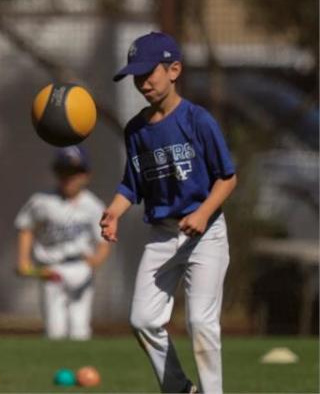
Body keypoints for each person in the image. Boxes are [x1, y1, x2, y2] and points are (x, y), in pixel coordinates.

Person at [100, 31, 237, 394]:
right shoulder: (136, 130)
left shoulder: (197, 120)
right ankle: (178, 388)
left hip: (204, 234)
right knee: (142, 319)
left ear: (174, 69)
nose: (142, 82)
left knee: (200, 322)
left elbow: (227, 178)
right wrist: (113, 211)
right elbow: (132, 184)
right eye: (135, 76)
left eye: (149, 73)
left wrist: (204, 213)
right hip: (162, 234)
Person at [14, 145, 110, 341]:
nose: (69, 177)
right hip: (51, 268)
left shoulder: (93, 205)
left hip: (79, 266)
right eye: (64, 171)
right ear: (56, 172)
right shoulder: (42, 201)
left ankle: (81, 368)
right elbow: (26, 227)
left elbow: (104, 240)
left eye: (75, 172)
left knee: (80, 329)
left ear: (86, 175)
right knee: (54, 330)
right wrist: (23, 260)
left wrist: (95, 262)